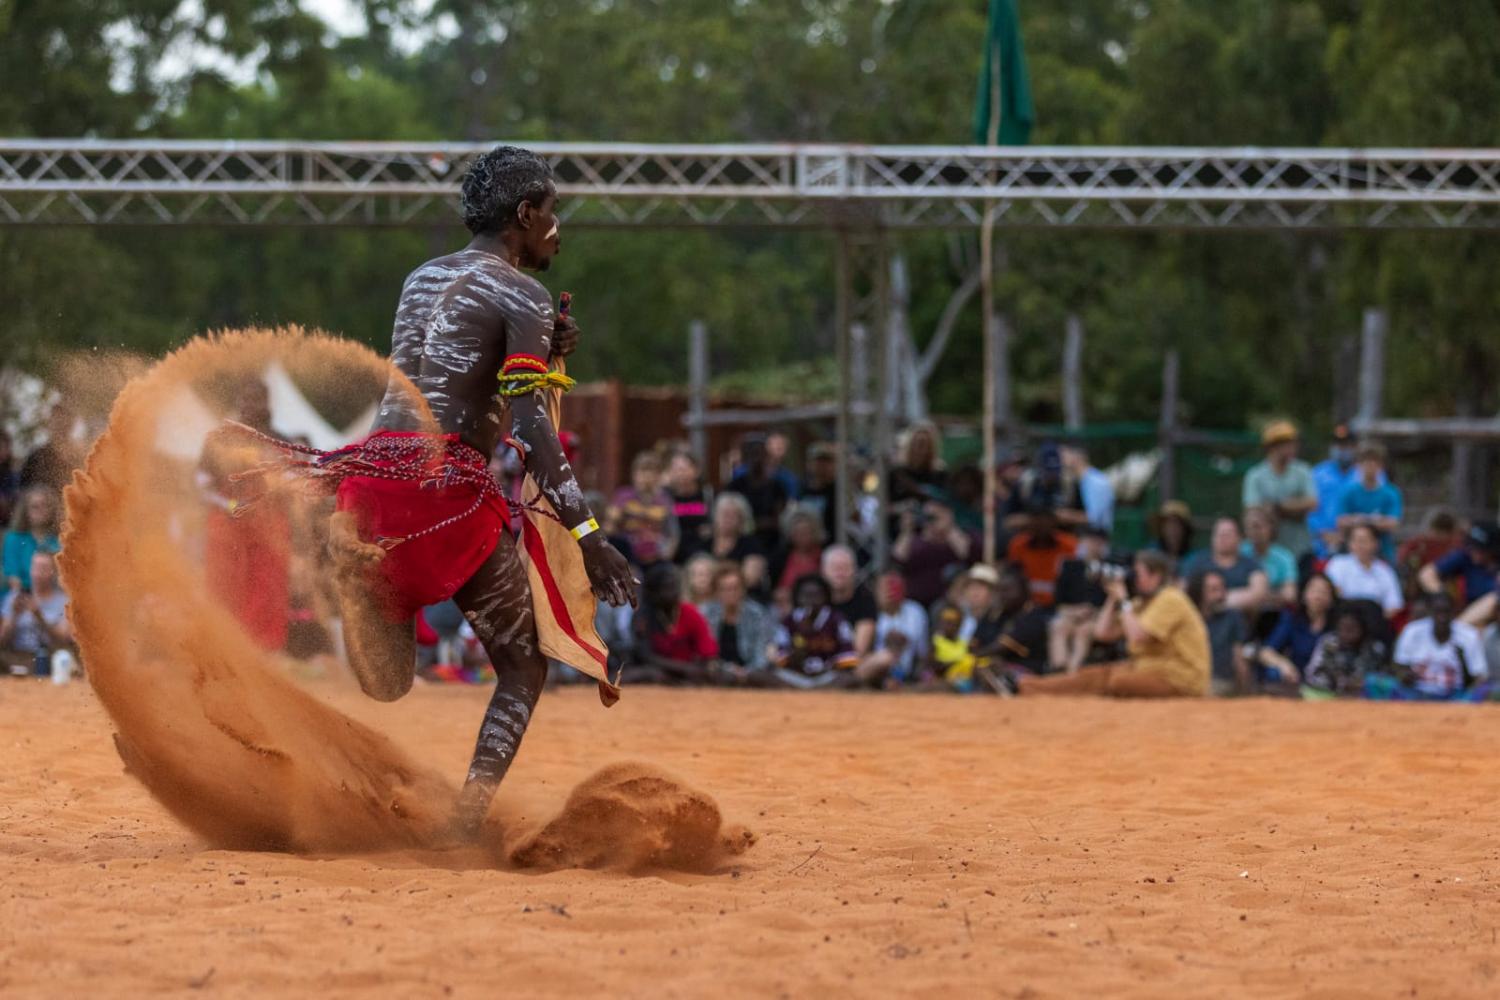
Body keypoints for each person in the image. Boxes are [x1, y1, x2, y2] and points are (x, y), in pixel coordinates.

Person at [270, 146, 635, 838]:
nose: (559, 228)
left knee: (388, 685)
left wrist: (547, 348)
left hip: (373, 488)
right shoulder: (523, 293)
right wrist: (590, 539)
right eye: (552, 213)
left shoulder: (419, 278)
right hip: (444, 493)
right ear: (523, 215)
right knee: (524, 668)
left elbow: (452, 363)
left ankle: (356, 575)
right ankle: (466, 823)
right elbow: (526, 425)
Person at [1017, 551, 1209, 698]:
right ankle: (1027, 686)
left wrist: (1124, 600)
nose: (1133, 579)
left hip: (1180, 679)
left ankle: (1032, 688)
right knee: (1096, 674)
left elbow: (1137, 636)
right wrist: (1112, 598)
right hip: (1148, 670)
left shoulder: (1171, 599)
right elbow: (1103, 633)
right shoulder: (1141, 603)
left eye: (1138, 574)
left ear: (1156, 576)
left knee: (1117, 681)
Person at [1377, 593, 1488, 701]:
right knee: (1376, 682)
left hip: (1455, 696)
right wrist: (1406, 675)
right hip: (1417, 693)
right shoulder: (1413, 631)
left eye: (1446, 612)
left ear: (1454, 613)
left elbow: (1478, 678)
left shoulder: (1468, 636)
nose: (1442, 618)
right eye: (1438, 612)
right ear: (1430, 612)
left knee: (1489, 690)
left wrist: (1463, 662)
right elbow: (1399, 666)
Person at [624, 562, 718, 684]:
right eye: (667, 587)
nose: (674, 592)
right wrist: (683, 668)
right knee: (647, 674)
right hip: (657, 671)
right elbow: (645, 656)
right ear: (654, 591)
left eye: (676, 586)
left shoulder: (690, 612)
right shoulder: (642, 617)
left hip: (689, 672)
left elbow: (707, 651)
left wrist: (699, 668)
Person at [1242, 421, 1318, 559]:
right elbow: (1253, 509)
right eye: (1287, 444)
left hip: (1300, 547)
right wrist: (1296, 507)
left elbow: (1312, 503)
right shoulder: (1255, 475)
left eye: (1293, 443)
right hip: (1267, 550)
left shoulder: (1302, 470)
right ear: (1272, 447)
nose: (1292, 448)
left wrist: (1278, 507)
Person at [772, 574, 859, 688]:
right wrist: (801, 638)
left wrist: (826, 668)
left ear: (825, 597)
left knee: (852, 679)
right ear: (797, 598)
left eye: (816, 596)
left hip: (827, 676)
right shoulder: (790, 621)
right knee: (761, 675)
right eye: (806, 596)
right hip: (796, 677)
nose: (810, 601)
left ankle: (815, 690)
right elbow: (781, 659)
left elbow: (848, 659)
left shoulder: (836, 620)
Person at [970, 562, 1052, 678]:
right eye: (1000, 590)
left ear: (1023, 590)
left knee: (990, 668)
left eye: (1007, 590)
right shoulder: (997, 614)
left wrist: (969, 657)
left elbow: (999, 648)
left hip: (1027, 672)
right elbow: (975, 641)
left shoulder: (1033, 616)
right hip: (992, 665)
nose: (1003, 595)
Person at [1252, 573, 1336, 683]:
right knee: (1274, 672)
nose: (1318, 596)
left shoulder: (1338, 624)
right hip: (1295, 679)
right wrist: (1284, 665)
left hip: (1327, 682)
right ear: (1304, 595)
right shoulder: (1292, 620)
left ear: (1331, 599)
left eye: (1324, 592)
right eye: (1314, 590)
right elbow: (1266, 652)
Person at [1049, 525, 1111, 673]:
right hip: (1070, 613)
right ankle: (1058, 668)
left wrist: (1092, 612)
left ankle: (1072, 673)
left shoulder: (1109, 569)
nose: (1093, 545)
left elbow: (1112, 601)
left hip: (1097, 617)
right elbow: (1057, 602)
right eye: (1090, 541)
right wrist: (1074, 611)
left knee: (1082, 632)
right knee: (1058, 626)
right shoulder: (1070, 566)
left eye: (1098, 542)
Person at [893, 496, 973, 608]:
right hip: (916, 605)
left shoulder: (956, 537)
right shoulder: (915, 541)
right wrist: (906, 531)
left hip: (951, 604)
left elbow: (965, 552)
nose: (930, 521)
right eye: (927, 516)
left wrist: (948, 526)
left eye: (934, 517)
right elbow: (898, 558)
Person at [699, 562, 775, 677]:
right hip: (716, 672)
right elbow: (704, 654)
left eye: (735, 588)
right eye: (725, 589)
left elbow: (761, 653)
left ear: (743, 589)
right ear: (716, 592)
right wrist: (728, 669)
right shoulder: (706, 613)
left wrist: (746, 672)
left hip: (751, 674)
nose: (731, 593)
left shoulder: (757, 614)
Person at [1180, 517, 1270, 613]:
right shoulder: (1197, 561)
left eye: (1227, 534)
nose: (1223, 538)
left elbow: (1259, 593)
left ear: (1239, 538)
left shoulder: (1251, 564)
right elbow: (1182, 588)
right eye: (1219, 534)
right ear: (1212, 538)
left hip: (1240, 620)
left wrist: (1219, 602)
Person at [0, 551, 72, 670]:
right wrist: (14, 615)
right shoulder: (15, 598)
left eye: (43, 568)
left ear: (52, 573)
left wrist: (39, 616)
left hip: (47, 660)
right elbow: (2, 641)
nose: (37, 573)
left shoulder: (63, 602)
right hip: (14, 658)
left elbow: (64, 640)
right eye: (35, 567)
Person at [1335, 442, 1403, 563]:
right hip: (1352, 553)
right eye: (1366, 463)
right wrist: (1376, 521)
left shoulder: (1391, 493)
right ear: (1358, 465)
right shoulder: (1348, 491)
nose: (1370, 467)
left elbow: (1393, 523)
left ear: (1381, 466)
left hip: (1383, 552)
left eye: (1374, 463)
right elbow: (1341, 521)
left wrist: (1359, 519)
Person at [1302, 605, 1388, 698]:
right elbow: (1312, 672)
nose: (1345, 634)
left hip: (1363, 696)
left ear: (1363, 629)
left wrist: (1361, 683)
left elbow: (1382, 678)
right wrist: (1339, 682)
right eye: (1342, 629)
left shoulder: (1375, 648)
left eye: (1351, 629)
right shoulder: (1329, 642)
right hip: (1328, 692)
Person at [610, 450, 679, 568]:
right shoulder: (623, 496)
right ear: (634, 475)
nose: (646, 477)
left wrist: (665, 555)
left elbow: (673, 534)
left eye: (651, 472)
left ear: (658, 476)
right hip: (628, 558)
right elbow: (611, 527)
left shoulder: (665, 500)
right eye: (642, 472)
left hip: (657, 558)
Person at [1187, 569, 1249, 696]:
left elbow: (1239, 659)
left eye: (1222, 589)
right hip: (1187, 680)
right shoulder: (1185, 617)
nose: (1221, 595)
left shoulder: (1232, 617)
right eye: (1214, 590)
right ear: (1198, 593)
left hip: (1219, 682)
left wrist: (1244, 693)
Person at [1004, 502, 1078, 608]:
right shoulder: (1018, 545)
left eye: (1046, 520)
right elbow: (1014, 575)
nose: (1042, 525)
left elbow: (1074, 578)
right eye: (1037, 520)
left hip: (1061, 604)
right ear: (1030, 523)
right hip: (1027, 605)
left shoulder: (1069, 545)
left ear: (1054, 522)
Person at [1325, 523, 1403, 618]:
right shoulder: (1338, 563)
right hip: (1343, 619)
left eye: (1364, 540)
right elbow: (1331, 595)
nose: (1360, 545)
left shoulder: (1385, 571)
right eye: (1356, 540)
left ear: (1376, 543)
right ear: (1349, 543)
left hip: (1375, 622)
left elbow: (1394, 605)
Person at [864, 571, 929, 685]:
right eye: (885, 587)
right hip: (875, 676)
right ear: (875, 590)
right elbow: (862, 654)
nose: (890, 591)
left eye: (894, 586)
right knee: (885, 658)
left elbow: (922, 653)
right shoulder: (867, 612)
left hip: (908, 674)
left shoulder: (915, 612)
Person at [728, 434, 789, 553]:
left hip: (770, 543)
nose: (756, 459)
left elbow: (780, 519)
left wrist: (754, 523)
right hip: (741, 542)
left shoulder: (777, 486)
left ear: (766, 456)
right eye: (751, 454)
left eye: (759, 454)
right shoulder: (735, 485)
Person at [1418, 521, 1500, 610]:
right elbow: (1426, 574)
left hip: (1493, 616)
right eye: (1472, 546)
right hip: (1466, 613)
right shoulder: (1465, 556)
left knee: (1494, 599)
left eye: (1479, 549)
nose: (1473, 551)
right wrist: (1443, 596)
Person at [1309, 424, 1360, 558]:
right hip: (1322, 545)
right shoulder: (1318, 474)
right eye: (1339, 445)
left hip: (1359, 545)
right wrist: (1323, 533)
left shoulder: (1366, 474)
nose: (1343, 449)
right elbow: (1310, 509)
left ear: (1355, 447)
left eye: (1347, 445)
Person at [4, 486, 63, 594]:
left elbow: (64, 577)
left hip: (54, 597)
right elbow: (13, 578)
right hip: (21, 598)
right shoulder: (14, 539)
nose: (41, 510)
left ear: (53, 509)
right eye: (35, 507)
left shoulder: (62, 539)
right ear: (25, 511)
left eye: (46, 505)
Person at [708, 491, 769, 596]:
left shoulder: (752, 544)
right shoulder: (703, 543)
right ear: (715, 516)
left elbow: (751, 578)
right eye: (724, 514)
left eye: (734, 515)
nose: (728, 519)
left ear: (742, 520)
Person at [822, 544, 877, 656]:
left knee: (882, 659)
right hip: (814, 662)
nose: (840, 572)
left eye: (845, 567)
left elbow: (859, 649)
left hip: (850, 663)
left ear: (855, 571)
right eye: (834, 567)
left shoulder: (865, 599)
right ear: (823, 571)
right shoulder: (813, 597)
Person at [1241, 505, 1298, 607]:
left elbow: (1290, 595)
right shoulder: (1239, 552)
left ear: (1270, 527)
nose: (1253, 531)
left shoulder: (1284, 557)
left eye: (1257, 526)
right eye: (1248, 527)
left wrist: (1258, 595)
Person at [666, 450, 712, 564]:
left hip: (702, 552)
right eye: (676, 470)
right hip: (674, 553)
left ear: (696, 471)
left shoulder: (708, 494)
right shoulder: (665, 497)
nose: (680, 474)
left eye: (684, 469)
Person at [769, 505, 826, 597]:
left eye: (806, 532)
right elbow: (772, 587)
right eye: (798, 533)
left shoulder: (825, 556)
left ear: (815, 532)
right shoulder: (780, 557)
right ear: (790, 535)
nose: (802, 537)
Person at [889, 422, 948, 504]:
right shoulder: (897, 473)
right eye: (917, 444)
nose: (920, 449)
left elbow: (943, 500)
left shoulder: (939, 474)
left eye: (924, 444)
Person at [1062, 445, 1115, 534]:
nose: (1061, 460)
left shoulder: (1096, 482)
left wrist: (1065, 516)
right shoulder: (1079, 481)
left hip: (1095, 540)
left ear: (1076, 457)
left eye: (1064, 455)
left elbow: (1094, 518)